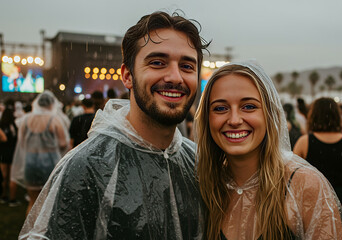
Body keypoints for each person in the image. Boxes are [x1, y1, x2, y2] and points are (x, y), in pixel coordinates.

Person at [19, 11, 209, 239]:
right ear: (127, 75)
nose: (175, 77)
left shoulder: (199, 166)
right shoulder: (85, 167)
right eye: (158, 63)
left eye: (187, 66)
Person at [195, 61, 342, 240]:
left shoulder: (305, 186)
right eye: (220, 108)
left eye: (249, 106)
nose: (235, 120)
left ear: (270, 115)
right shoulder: (204, 186)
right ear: (207, 119)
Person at [293, 97, 342, 229]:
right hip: (341, 198)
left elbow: (293, 180)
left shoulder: (304, 142)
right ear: (337, 116)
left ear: (313, 115)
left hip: (312, 200)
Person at [10, 91, 70, 215]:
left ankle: (30, 232)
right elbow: (64, 143)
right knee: (48, 202)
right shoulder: (54, 119)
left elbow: (21, 142)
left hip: (30, 162)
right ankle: (44, 231)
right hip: (49, 162)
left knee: (32, 201)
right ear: (52, 105)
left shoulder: (26, 119)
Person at [0, 103, 20, 207]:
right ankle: (11, 198)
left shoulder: (2, 125)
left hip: (3, 152)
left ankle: (4, 196)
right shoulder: (14, 125)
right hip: (13, 152)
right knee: (12, 176)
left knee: (4, 175)